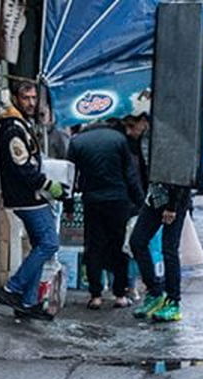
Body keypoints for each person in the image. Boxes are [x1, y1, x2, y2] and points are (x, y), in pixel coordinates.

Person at [0, 80, 68, 321]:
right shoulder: (13, 127)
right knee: (49, 243)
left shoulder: (22, 124)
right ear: (16, 98)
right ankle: (12, 288)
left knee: (40, 245)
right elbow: (22, 167)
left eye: (34, 98)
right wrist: (48, 185)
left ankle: (27, 302)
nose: (31, 103)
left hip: (31, 196)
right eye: (26, 98)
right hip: (28, 197)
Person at [66, 114, 148, 309]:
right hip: (118, 201)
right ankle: (119, 294)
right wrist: (141, 203)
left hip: (92, 200)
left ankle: (95, 296)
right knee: (119, 246)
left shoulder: (78, 142)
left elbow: (69, 175)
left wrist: (68, 205)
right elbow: (130, 175)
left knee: (93, 245)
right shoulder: (119, 140)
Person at [129, 182, 191, 322]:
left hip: (176, 198)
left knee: (169, 249)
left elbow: (182, 175)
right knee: (137, 242)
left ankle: (173, 301)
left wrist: (172, 206)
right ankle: (155, 292)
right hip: (155, 196)